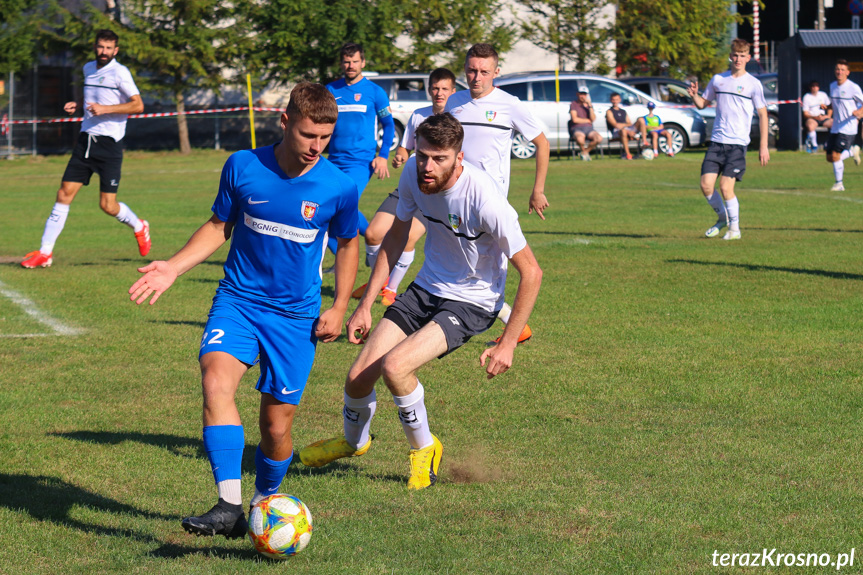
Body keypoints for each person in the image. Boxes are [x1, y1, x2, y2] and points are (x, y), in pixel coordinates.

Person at [128, 83, 359, 538]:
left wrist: (339, 305)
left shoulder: (338, 186)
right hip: (238, 300)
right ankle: (228, 503)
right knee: (215, 380)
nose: (316, 147)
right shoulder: (243, 165)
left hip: (295, 317)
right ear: (286, 121)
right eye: (309, 135)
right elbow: (219, 226)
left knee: (275, 428)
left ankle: (260, 503)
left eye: (325, 138)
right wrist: (173, 268)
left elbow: (349, 244)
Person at [298, 113, 542, 490]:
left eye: (439, 158)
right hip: (427, 287)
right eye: (424, 155)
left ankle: (424, 449)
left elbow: (532, 272)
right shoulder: (413, 172)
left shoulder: (486, 199)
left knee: (396, 367)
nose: (428, 166)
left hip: (473, 301)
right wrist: (364, 305)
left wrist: (508, 343)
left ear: (459, 158)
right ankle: (353, 442)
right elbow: (396, 237)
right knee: (358, 377)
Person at [445, 42, 549, 344]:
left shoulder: (509, 104)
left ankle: (514, 330)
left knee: (497, 266)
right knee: (462, 264)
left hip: (491, 203)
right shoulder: (454, 102)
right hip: (455, 197)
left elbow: (542, 143)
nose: (476, 77)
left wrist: (537, 189)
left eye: (483, 72)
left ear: (496, 72)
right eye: (471, 70)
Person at [22, 29, 148, 269]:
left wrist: (106, 109)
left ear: (116, 50)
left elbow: (138, 105)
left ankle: (140, 226)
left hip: (109, 145)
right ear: (95, 46)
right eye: (100, 47)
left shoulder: (120, 73)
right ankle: (45, 252)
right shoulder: (88, 68)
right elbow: (91, 97)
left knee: (107, 205)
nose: (104, 52)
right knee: (64, 193)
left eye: (109, 48)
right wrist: (77, 105)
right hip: (85, 141)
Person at [353, 68, 458, 306]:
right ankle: (376, 282)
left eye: (444, 89)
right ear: (429, 89)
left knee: (408, 238)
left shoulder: (458, 118)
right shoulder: (419, 115)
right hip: (409, 185)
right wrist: (400, 156)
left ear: (453, 91)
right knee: (372, 234)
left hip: (434, 191)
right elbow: (405, 147)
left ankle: (390, 289)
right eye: (435, 88)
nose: (439, 93)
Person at [688, 38, 770, 241]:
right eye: (735, 55)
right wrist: (694, 96)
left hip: (737, 145)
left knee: (725, 187)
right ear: (730, 56)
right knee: (706, 185)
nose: (738, 59)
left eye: (743, 56)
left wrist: (764, 146)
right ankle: (722, 218)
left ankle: (735, 230)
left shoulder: (753, 84)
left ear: (748, 58)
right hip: (717, 142)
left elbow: (763, 114)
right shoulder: (718, 80)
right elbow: (702, 103)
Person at [325, 42, 394, 253]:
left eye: (355, 61)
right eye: (346, 61)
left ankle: (375, 241)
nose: (351, 65)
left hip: (361, 162)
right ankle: (342, 259)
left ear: (362, 62)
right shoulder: (331, 90)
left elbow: (389, 125)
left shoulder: (375, 92)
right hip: (333, 161)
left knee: (342, 205)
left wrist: (382, 156)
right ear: (341, 63)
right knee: (324, 208)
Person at [824, 60, 863, 192]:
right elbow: (834, 105)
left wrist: (859, 112)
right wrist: (827, 107)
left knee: (836, 156)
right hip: (836, 126)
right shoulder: (833, 86)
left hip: (849, 127)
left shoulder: (853, 87)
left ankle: (839, 184)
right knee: (829, 157)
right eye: (837, 69)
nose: (839, 72)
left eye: (842, 69)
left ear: (848, 72)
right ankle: (852, 151)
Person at [569, 86, 603, 161]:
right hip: (577, 128)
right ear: (577, 94)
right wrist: (587, 120)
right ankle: (585, 154)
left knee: (599, 138)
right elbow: (574, 119)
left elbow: (593, 119)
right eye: (581, 94)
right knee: (580, 138)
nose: (582, 96)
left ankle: (584, 152)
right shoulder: (574, 104)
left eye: (584, 94)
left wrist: (590, 106)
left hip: (589, 128)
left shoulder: (588, 106)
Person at [605, 92, 640, 160]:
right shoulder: (609, 111)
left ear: (620, 100)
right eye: (613, 100)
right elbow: (615, 125)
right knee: (624, 131)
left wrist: (624, 126)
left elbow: (629, 123)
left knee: (640, 120)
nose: (615, 101)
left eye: (616, 99)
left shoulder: (623, 111)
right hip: (616, 132)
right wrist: (626, 127)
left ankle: (644, 145)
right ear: (611, 100)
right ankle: (628, 154)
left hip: (627, 130)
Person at [802, 80, 833, 153]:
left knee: (835, 124)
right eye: (813, 86)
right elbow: (805, 114)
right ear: (810, 87)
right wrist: (815, 117)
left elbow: (830, 107)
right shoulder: (807, 97)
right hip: (812, 117)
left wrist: (828, 116)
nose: (815, 88)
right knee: (810, 126)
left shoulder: (823, 95)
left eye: (816, 86)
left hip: (823, 117)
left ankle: (829, 144)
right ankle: (814, 146)